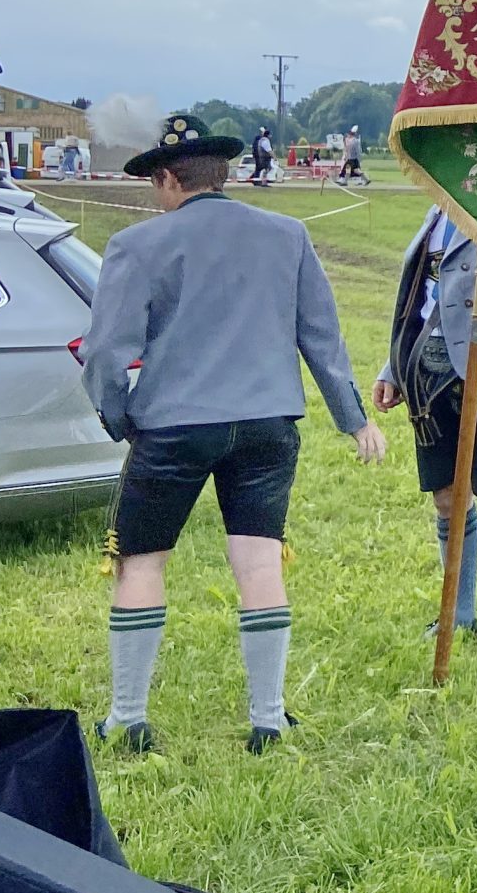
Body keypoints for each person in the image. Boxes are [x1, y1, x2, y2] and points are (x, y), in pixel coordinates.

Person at [79, 113, 386, 755]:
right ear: (222, 173)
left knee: (142, 561)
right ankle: (269, 719)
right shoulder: (288, 235)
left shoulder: (136, 245)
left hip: (172, 424)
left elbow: (107, 350)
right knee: (259, 561)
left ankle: (127, 720)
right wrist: (353, 418)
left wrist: (116, 415)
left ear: (169, 179)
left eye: (155, 185)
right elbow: (321, 337)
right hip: (268, 423)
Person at [371, 206, 477, 651]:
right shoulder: (437, 210)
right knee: (447, 497)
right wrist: (393, 367)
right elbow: (422, 297)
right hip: (428, 369)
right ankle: (459, 614)